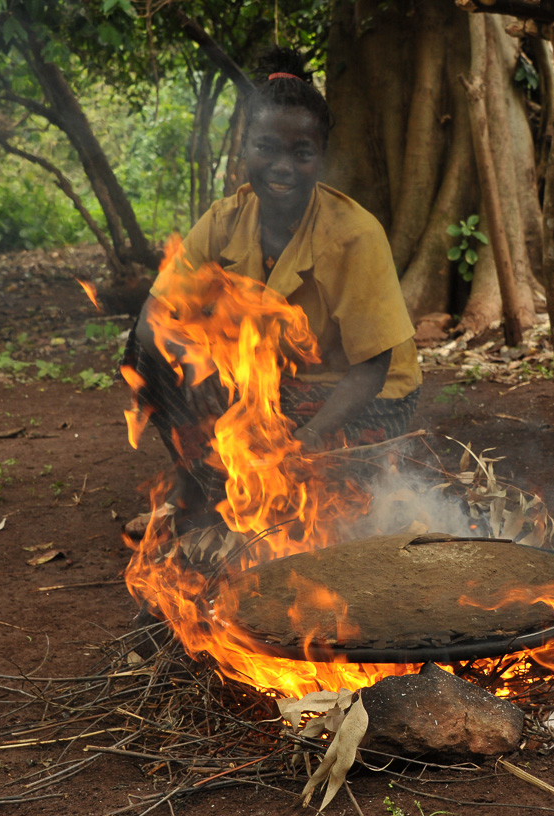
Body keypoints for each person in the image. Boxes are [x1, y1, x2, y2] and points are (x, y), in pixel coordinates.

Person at [124, 49, 422, 535]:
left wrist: (302, 442)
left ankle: (252, 495)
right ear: (245, 149)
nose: (282, 167)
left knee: (319, 501)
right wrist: (198, 379)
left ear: (321, 158)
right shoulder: (224, 221)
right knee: (145, 354)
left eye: (301, 153)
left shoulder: (353, 236)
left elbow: (372, 369)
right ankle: (203, 488)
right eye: (267, 148)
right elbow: (151, 318)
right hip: (270, 387)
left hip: (362, 396)